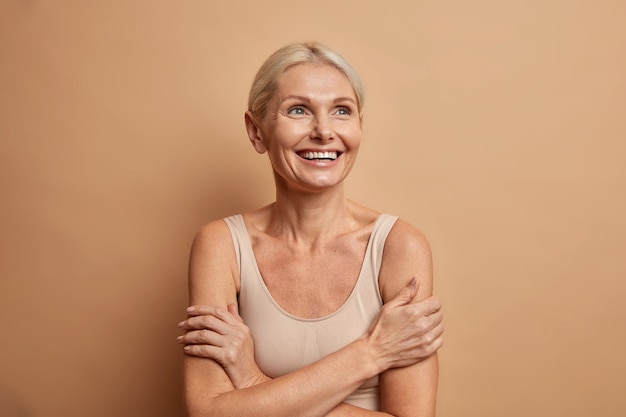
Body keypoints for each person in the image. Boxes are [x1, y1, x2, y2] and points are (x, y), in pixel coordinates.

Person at [177, 41, 444, 416]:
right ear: (256, 132)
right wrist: (372, 352)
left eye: (341, 111)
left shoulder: (399, 246)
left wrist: (253, 382)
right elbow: (208, 412)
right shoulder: (220, 245)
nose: (323, 131)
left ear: (358, 127)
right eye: (299, 110)